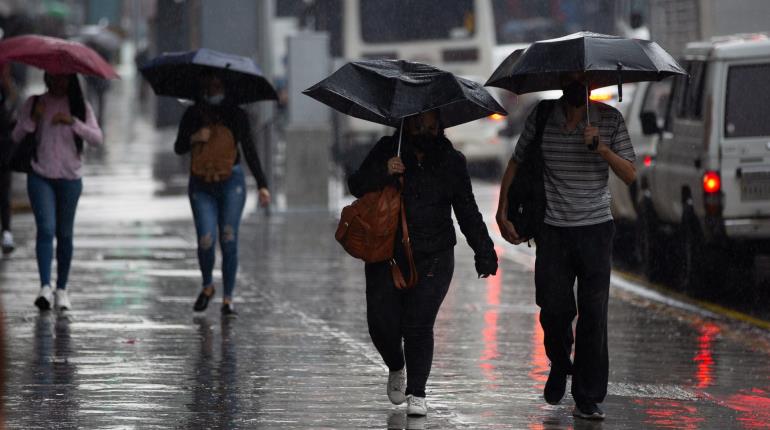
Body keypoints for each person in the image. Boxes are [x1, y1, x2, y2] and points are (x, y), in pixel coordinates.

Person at [496, 72, 636, 420]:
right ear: (562, 82)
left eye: (583, 81)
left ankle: (587, 396)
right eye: (571, 80)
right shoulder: (543, 115)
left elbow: (631, 173)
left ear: (590, 85)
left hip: (596, 231)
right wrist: (501, 211)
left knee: (594, 315)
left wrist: (601, 147)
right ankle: (560, 361)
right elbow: (516, 162)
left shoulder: (609, 119)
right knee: (554, 309)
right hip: (553, 232)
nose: (577, 86)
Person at [348, 110, 498, 416]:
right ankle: (396, 364)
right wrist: (384, 171)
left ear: (440, 126)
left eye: (432, 125)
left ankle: (417, 392)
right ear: (406, 123)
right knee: (381, 325)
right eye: (418, 124)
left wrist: (484, 250)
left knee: (417, 324)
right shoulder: (387, 149)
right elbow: (355, 184)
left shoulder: (451, 161)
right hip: (385, 254)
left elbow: (467, 210)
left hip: (435, 255)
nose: (425, 130)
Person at [174, 72, 271, 317]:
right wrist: (196, 136)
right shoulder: (193, 114)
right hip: (201, 184)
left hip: (231, 183)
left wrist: (262, 184)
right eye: (210, 85)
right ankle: (208, 286)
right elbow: (179, 147)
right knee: (205, 238)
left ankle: (229, 298)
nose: (215, 90)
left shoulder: (237, 115)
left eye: (219, 85)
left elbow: (249, 148)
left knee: (228, 238)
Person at [11, 73, 104, 311]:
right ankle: (44, 286)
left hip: (70, 178)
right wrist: (34, 118)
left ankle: (61, 289)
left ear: (70, 79)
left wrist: (73, 122)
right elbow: (16, 135)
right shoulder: (34, 102)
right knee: (46, 229)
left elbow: (97, 138)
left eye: (62, 78)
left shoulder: (80, 106)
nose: (58, 82)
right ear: (46, 77)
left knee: (64, 234)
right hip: (40, 175)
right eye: (53, 77)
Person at [0, 64, 19, 254]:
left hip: (3, 150)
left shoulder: (7, 88)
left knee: (4, 192)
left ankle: (6, 231)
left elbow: (12, 117)